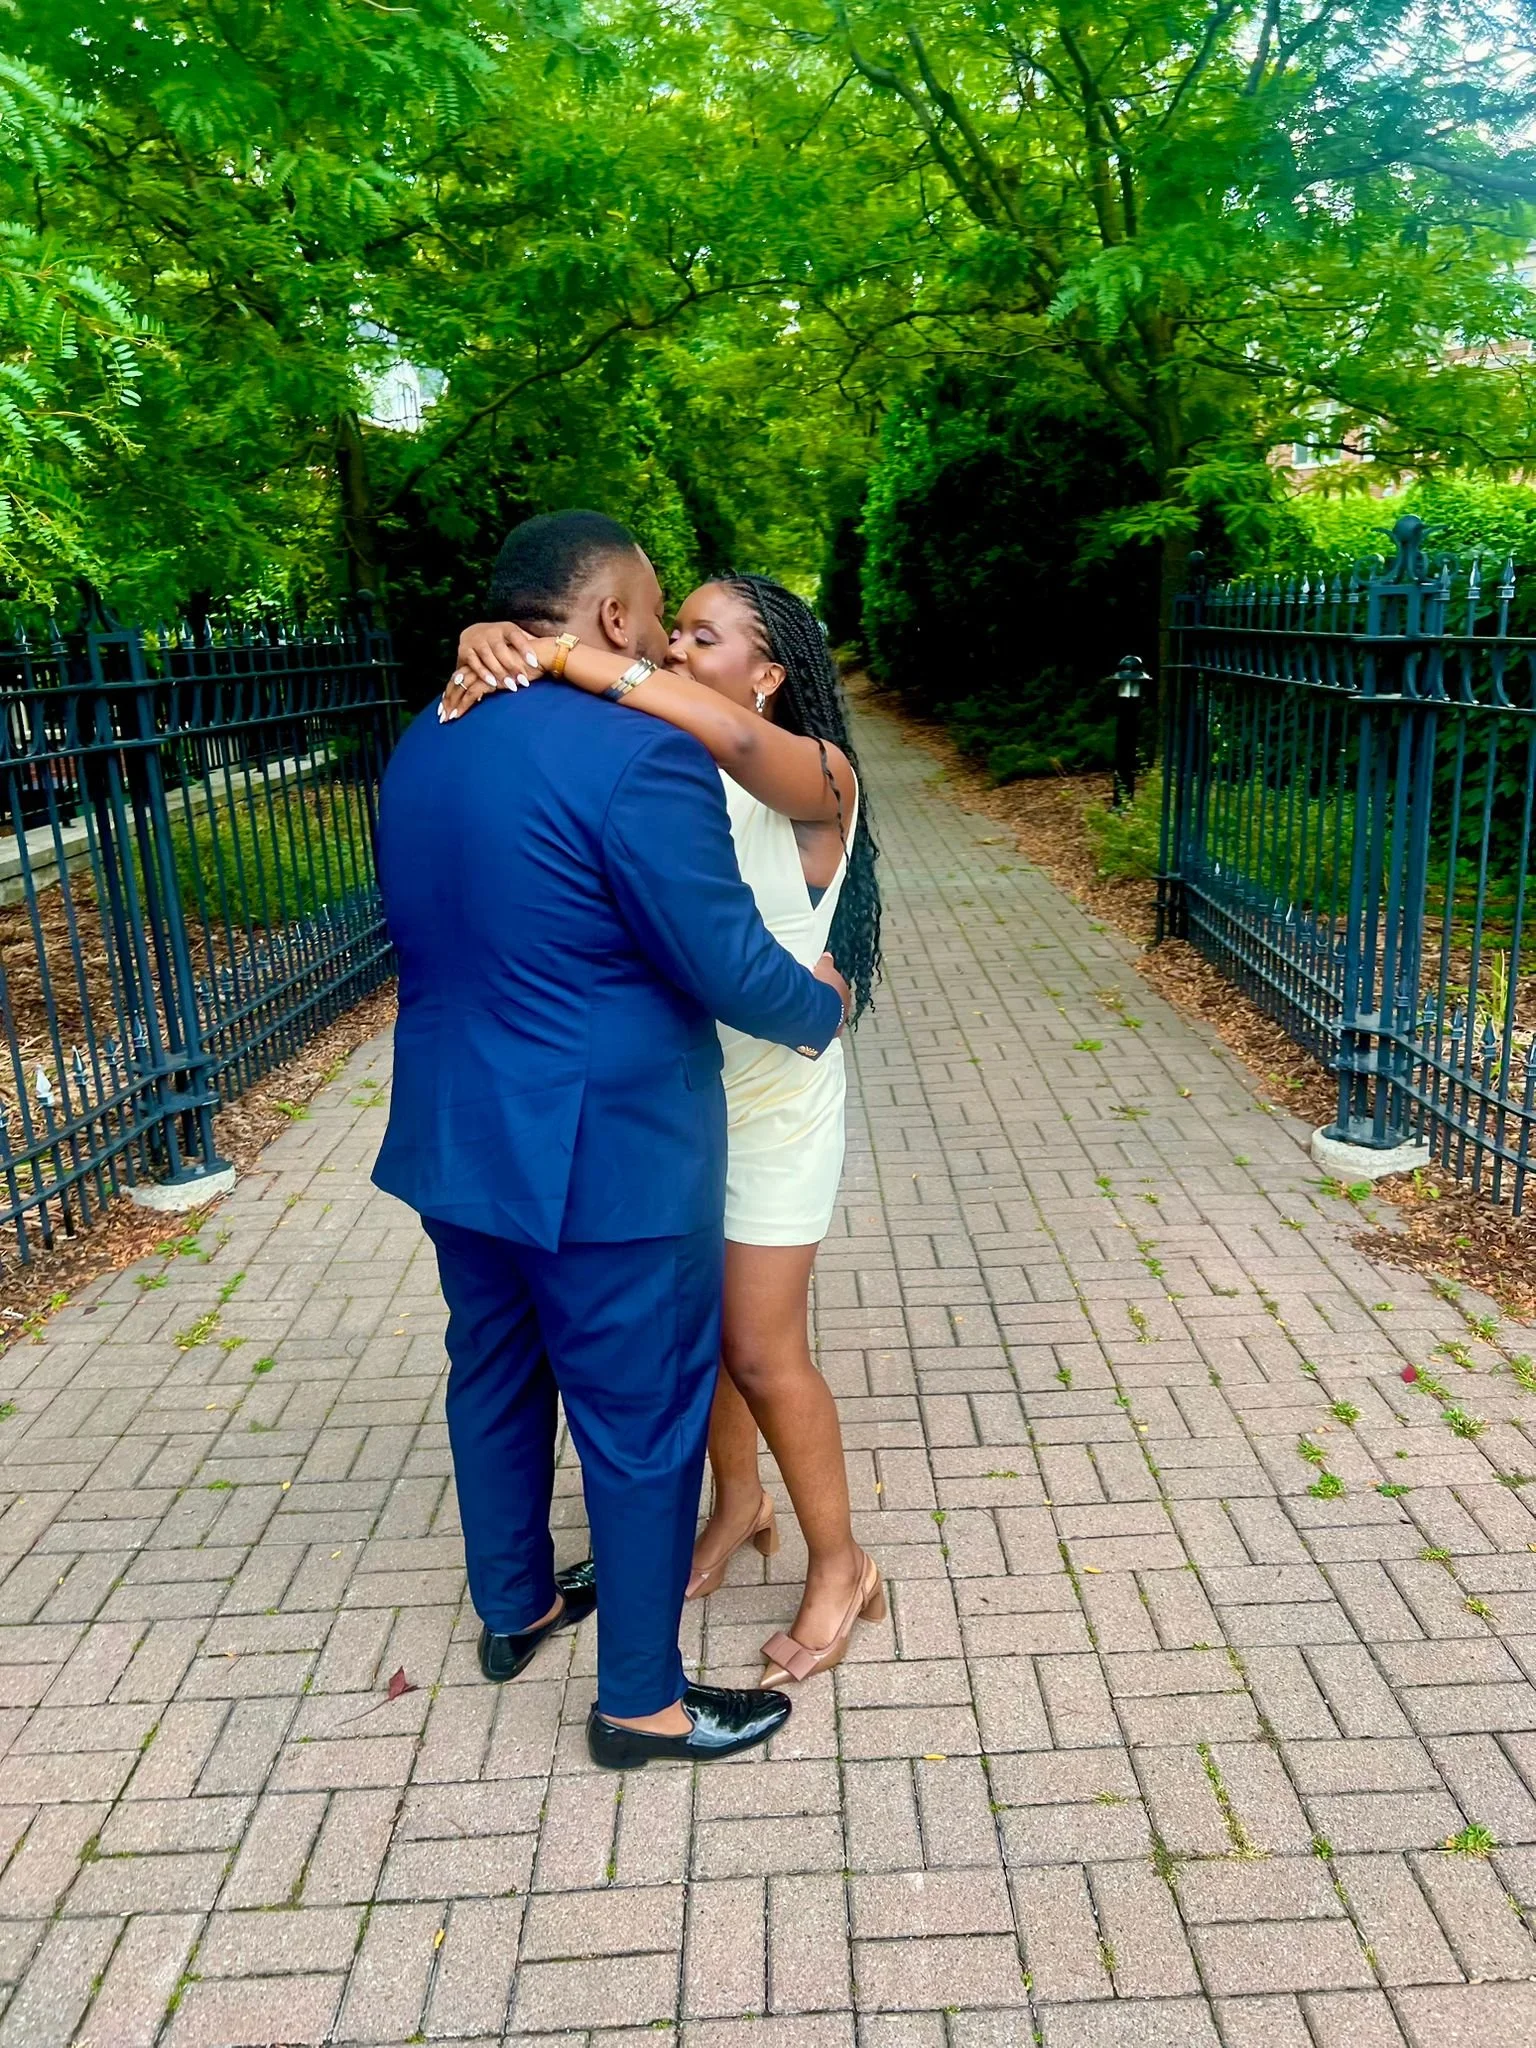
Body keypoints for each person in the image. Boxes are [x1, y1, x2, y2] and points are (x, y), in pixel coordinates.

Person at [373, 511, 849, 1770]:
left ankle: (516, 1603)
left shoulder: (432, 731)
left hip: (456, 1131)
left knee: (492, 1371)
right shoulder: (640, 753)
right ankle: (642, 1701)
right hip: (609, 1152)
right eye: (655, 607)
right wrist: (822, 1004)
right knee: (641, 1420)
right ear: (619, 617)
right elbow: (723, 962)